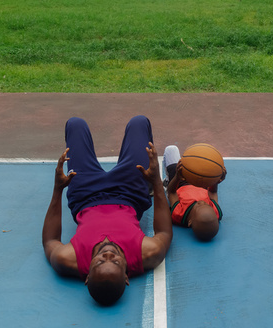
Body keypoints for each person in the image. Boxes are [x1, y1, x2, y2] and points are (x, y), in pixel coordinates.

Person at [42, 116, 172, 306]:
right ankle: (146, 185)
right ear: (127, 276)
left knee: (75, 124)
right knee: (139, 123)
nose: (109, 254)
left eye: (100, 261)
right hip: (129, 193)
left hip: (85, 195)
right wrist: (155, 181)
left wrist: (58, 188)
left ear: (86, 276)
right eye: (116, 261)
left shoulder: (68, 259)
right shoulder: (149, 253)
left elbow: (50, 241)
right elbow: (164, 232)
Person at [163, 145, 224, 242]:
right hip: (201, 182)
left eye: (198, 206)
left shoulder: (179, 214)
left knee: (171, 149)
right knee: (203, 158)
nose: (200, 202)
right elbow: (212, 191)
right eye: (206, 204)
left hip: (179, 183)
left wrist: (178, 176)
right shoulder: (215, 212)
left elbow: (172, 192)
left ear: (190, 222)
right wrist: (216, 180)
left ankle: (167, 180)